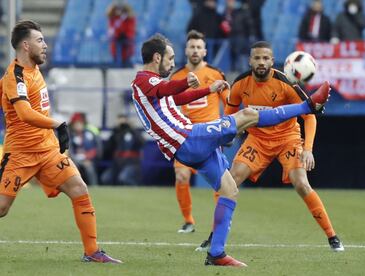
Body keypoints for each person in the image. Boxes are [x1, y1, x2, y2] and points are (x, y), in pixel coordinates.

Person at [131, 33, 331, 267]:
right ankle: (307, 106)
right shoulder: (145, 81)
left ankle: (216, 253)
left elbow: (176, 98)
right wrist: (185, 81)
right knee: (247, 115)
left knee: (229, 189)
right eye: (171, 58)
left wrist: (207, 90)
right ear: (157, 57)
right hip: (188, 138)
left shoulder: (153, 84)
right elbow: (169, 90)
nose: (174, 63)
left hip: (187, 144)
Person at [196, 41, 344, 253]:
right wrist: (225, 136)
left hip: (287, 138)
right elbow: (229, 112)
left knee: (301, 183)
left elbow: (309, 116)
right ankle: (213, 237)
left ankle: (332, 237)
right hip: (257, 140)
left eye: (266, 58)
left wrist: (308, 149)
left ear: (272, 61)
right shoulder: (240, 84)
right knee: (229, 181)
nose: (261, 62)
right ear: (250, 60)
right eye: (257, 58)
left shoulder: (285, 83)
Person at [0, 20, 121, 263]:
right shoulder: (15, 76)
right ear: (25, 45)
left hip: (47, 151)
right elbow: (23, 113)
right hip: (20, 154)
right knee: (2, 207)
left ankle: (92, 252)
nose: (45, 45)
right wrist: (57, 124)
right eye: (40, 40)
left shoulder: (35, 69)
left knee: (79, 189)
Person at [170, 30, 228, 234]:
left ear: (205, 51)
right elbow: (169, 105)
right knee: (181, 177)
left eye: (198, 47)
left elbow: (228, 104)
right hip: (185, 135)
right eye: (191, 47)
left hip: (211, 135)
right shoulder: (177, 76)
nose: (195, 50)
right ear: (186, 50)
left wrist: (228, 128)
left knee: (219, 183)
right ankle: (188, 221)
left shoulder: (215, 74)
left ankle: (219, 224)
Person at [101, 114, 144, 186]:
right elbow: (108, 147)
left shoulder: (133, 132)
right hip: (117, 164)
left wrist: (132, 128)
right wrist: (116, 130)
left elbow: (142, 142)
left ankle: (136, 190)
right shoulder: (116, 133)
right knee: (105, 178)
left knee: (123, 178)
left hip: (132, 163)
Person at [224, 0, 255, 72]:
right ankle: (234, 71)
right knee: (233, 55)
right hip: (231, 36)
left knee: (241, 54)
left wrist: (251, 34)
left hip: (241, 36)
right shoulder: (229, 12)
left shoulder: (243, 11)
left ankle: (243, 71)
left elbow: (249, 24)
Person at [69, 112, 99, 186]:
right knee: (74, 167)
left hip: (88, 159)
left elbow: (94, 149)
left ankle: (94, 185)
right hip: (75, 159)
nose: (77, 126)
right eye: (76, 124)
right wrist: (76, 160)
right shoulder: (71, 135)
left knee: (89, 168)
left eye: (79, 124)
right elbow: (70, 150)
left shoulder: (89, 135)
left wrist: (87, 159)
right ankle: (75, 186)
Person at [107, 1, 136, 67]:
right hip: (116, 40)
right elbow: (112, 28)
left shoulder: (129, 17)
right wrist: (117, 34)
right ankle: (116, 61)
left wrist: (124, 34)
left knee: (126, 53)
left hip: (126, 40)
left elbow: (130, 29)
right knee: (115, 48)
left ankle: (126, 61)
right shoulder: (113, 17)